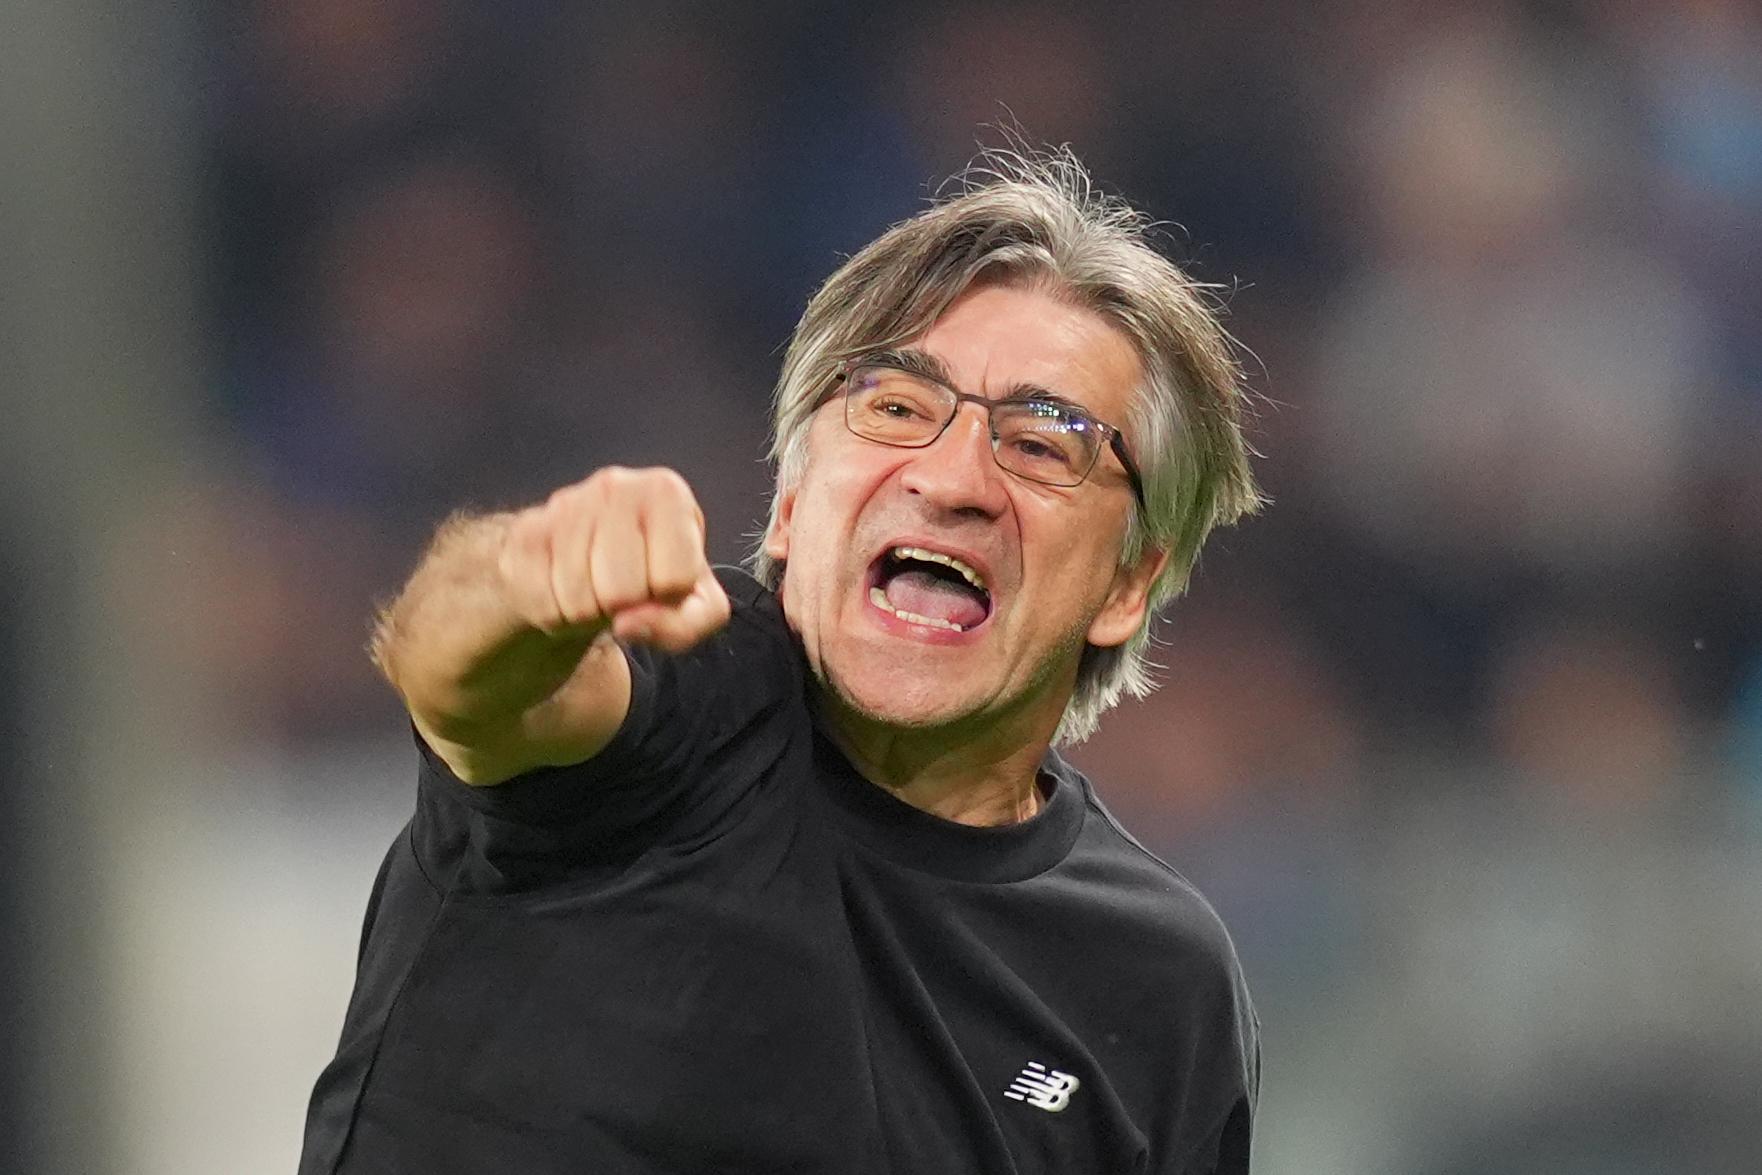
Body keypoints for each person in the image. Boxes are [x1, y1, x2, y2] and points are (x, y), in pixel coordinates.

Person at [300, 148, 1264, 1175]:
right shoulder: (681, 697)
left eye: (1041, 441)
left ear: (1128, 583)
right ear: (797, 503)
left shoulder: (1159, 981)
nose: (950, 478)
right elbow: (462, 680)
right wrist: (528, 583)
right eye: (895, 406)